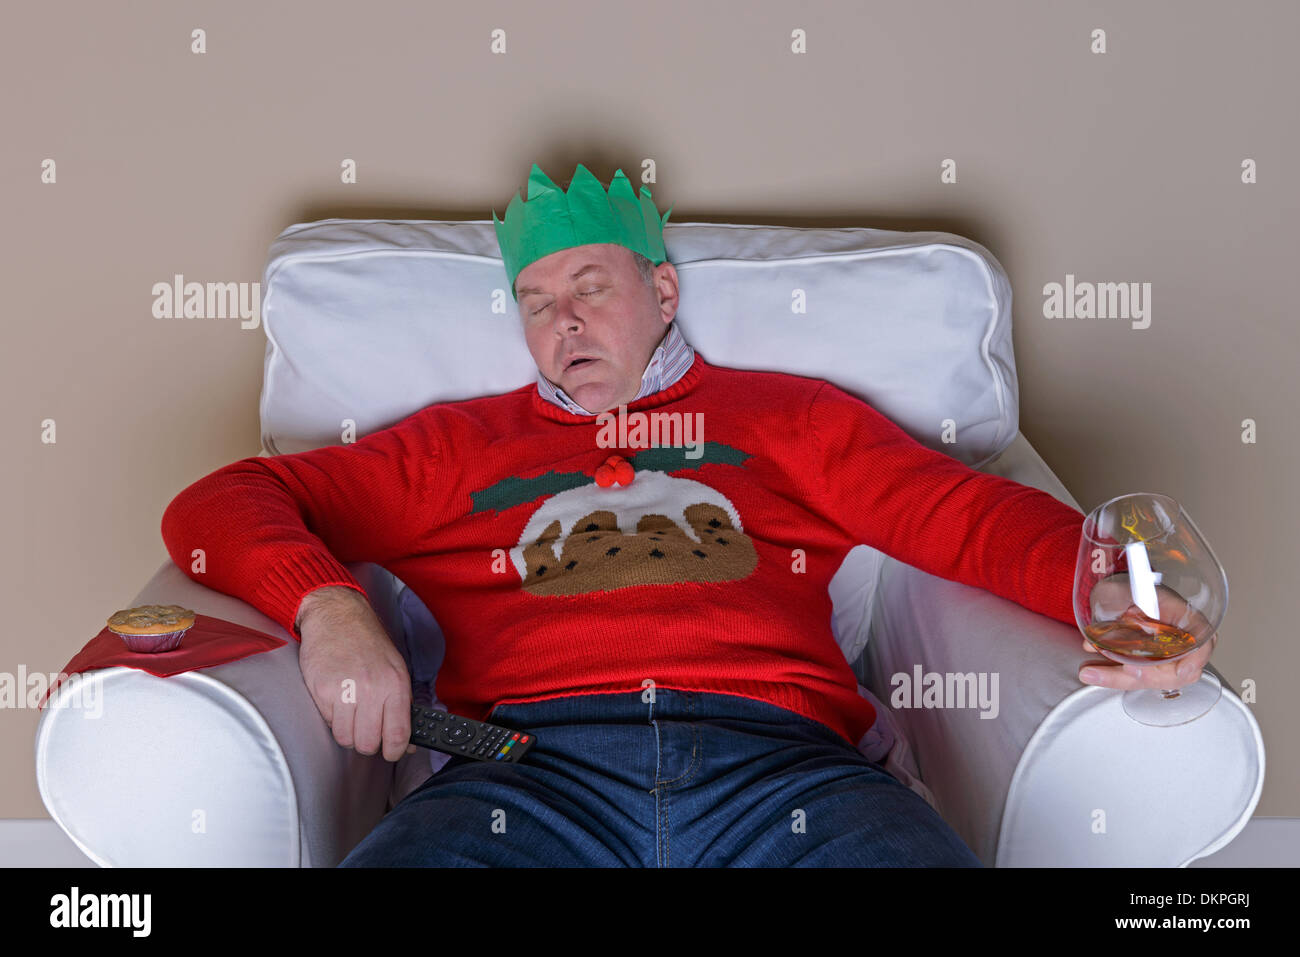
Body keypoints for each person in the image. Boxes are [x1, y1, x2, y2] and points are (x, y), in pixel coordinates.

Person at [160, 162, 1215, 867]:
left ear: (662, 293)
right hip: (525, 780)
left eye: (591, 286)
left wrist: (1122, 595)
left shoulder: (792, 420)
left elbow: (968, 520)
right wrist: (329, 610)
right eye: (535, 302)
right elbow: (220, 506)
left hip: (783, 769)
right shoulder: (453, 448)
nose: (563, 320)